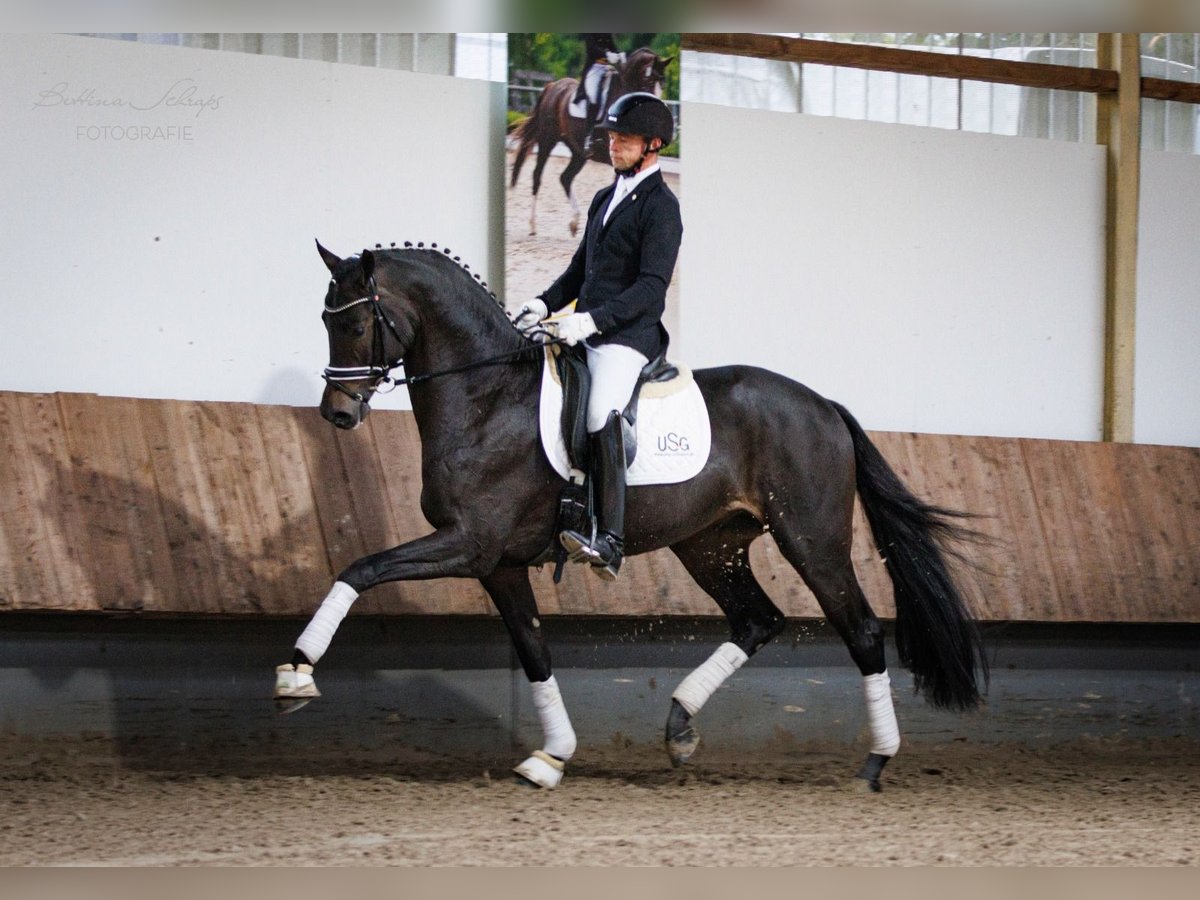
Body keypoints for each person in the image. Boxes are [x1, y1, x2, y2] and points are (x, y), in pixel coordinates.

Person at [526, 92, 681, 581]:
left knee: (599, 412)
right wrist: (544, 304)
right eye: (612, 136)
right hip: (586, 328)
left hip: (628, 337)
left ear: (652, 145)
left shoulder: (662, 207)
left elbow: (651, 288)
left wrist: (591, 322)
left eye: (625, 139)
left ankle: (610, 539)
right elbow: (580, 270)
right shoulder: (601, 195)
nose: (613, 145)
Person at [574, 33, 626, 153]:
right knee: (593, 98)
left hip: (607, 69)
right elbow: (591, 49)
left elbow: (613, 47)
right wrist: (607, 54)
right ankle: (588, 137)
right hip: (594, 68)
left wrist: (619, 55)